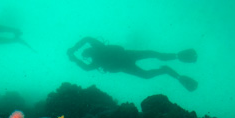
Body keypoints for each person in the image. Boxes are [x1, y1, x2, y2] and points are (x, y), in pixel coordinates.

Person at [67, 37, 198, 91]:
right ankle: (174, 62)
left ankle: (172, 63)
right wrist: (74, 51)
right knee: (152, 56)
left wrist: (74, 55)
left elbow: (86, 66)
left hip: (125, 62)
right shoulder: (98, 51)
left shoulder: (97, 55)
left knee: (149, 63)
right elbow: (87, 40)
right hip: (126, 60)